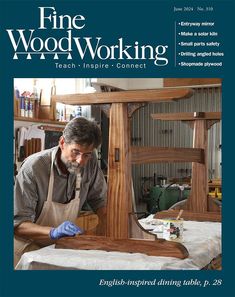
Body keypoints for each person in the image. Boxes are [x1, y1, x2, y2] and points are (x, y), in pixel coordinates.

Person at [14, 117, 107, 267]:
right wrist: (53, 232)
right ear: (62, 143)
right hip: (27, 249)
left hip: (58, 247)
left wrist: (103, 234)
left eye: (87, 155)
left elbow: (101, 202)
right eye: (75, 152)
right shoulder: (34, 168)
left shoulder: (90, 162)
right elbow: (18, 224)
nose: (80, 161)